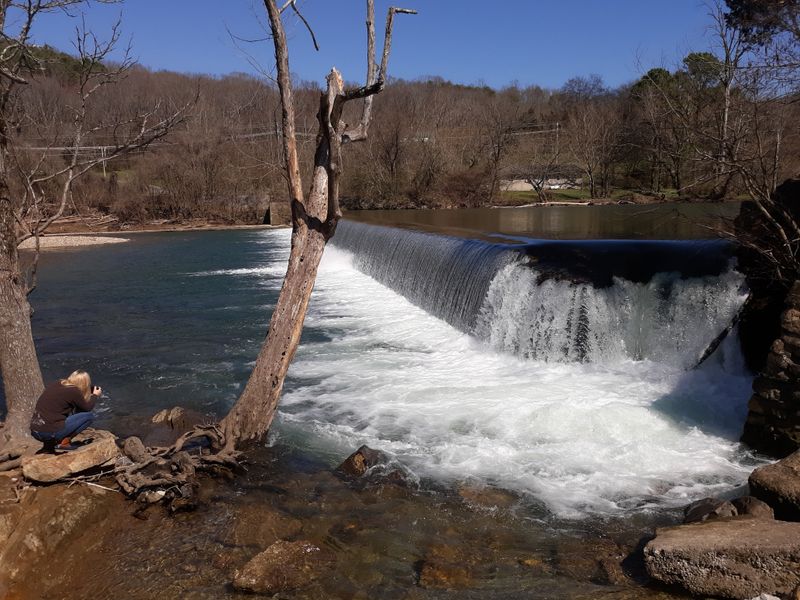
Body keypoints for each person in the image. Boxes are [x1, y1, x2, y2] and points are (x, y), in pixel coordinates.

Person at [30, 370, 101, 452]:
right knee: (89, 416)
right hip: (48, 433)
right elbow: (87, 408)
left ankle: (48, 446)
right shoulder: (74, 391)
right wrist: (95, 395)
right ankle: (63, 443)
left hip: (36, 431)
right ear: (85, 384)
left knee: (54, 416)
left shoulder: (58, 383)